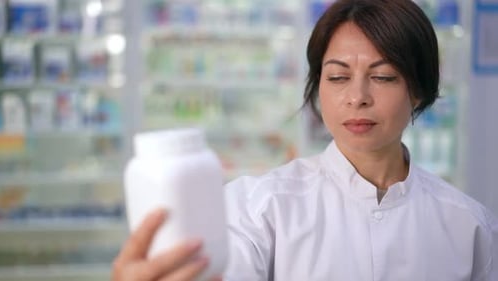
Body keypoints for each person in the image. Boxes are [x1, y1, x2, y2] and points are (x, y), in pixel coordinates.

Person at [112, 0, 498, 280]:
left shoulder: (470, 226)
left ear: (418, 90)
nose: (357, 96)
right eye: (337, 77)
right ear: (318, 88)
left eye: (383, 76)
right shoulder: (258, 207)